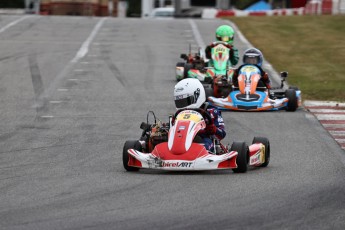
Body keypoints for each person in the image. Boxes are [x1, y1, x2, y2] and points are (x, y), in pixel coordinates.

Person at [173, 78, 226, 153]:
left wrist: (214, 129)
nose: (183, 106)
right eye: (180, 102)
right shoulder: (179, 115)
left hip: (204, 139)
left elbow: (222, 133)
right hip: (181, 140)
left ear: (196, 95)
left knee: (205, 144)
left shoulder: (212, 111)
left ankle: (199, 155)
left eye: (185, 101)